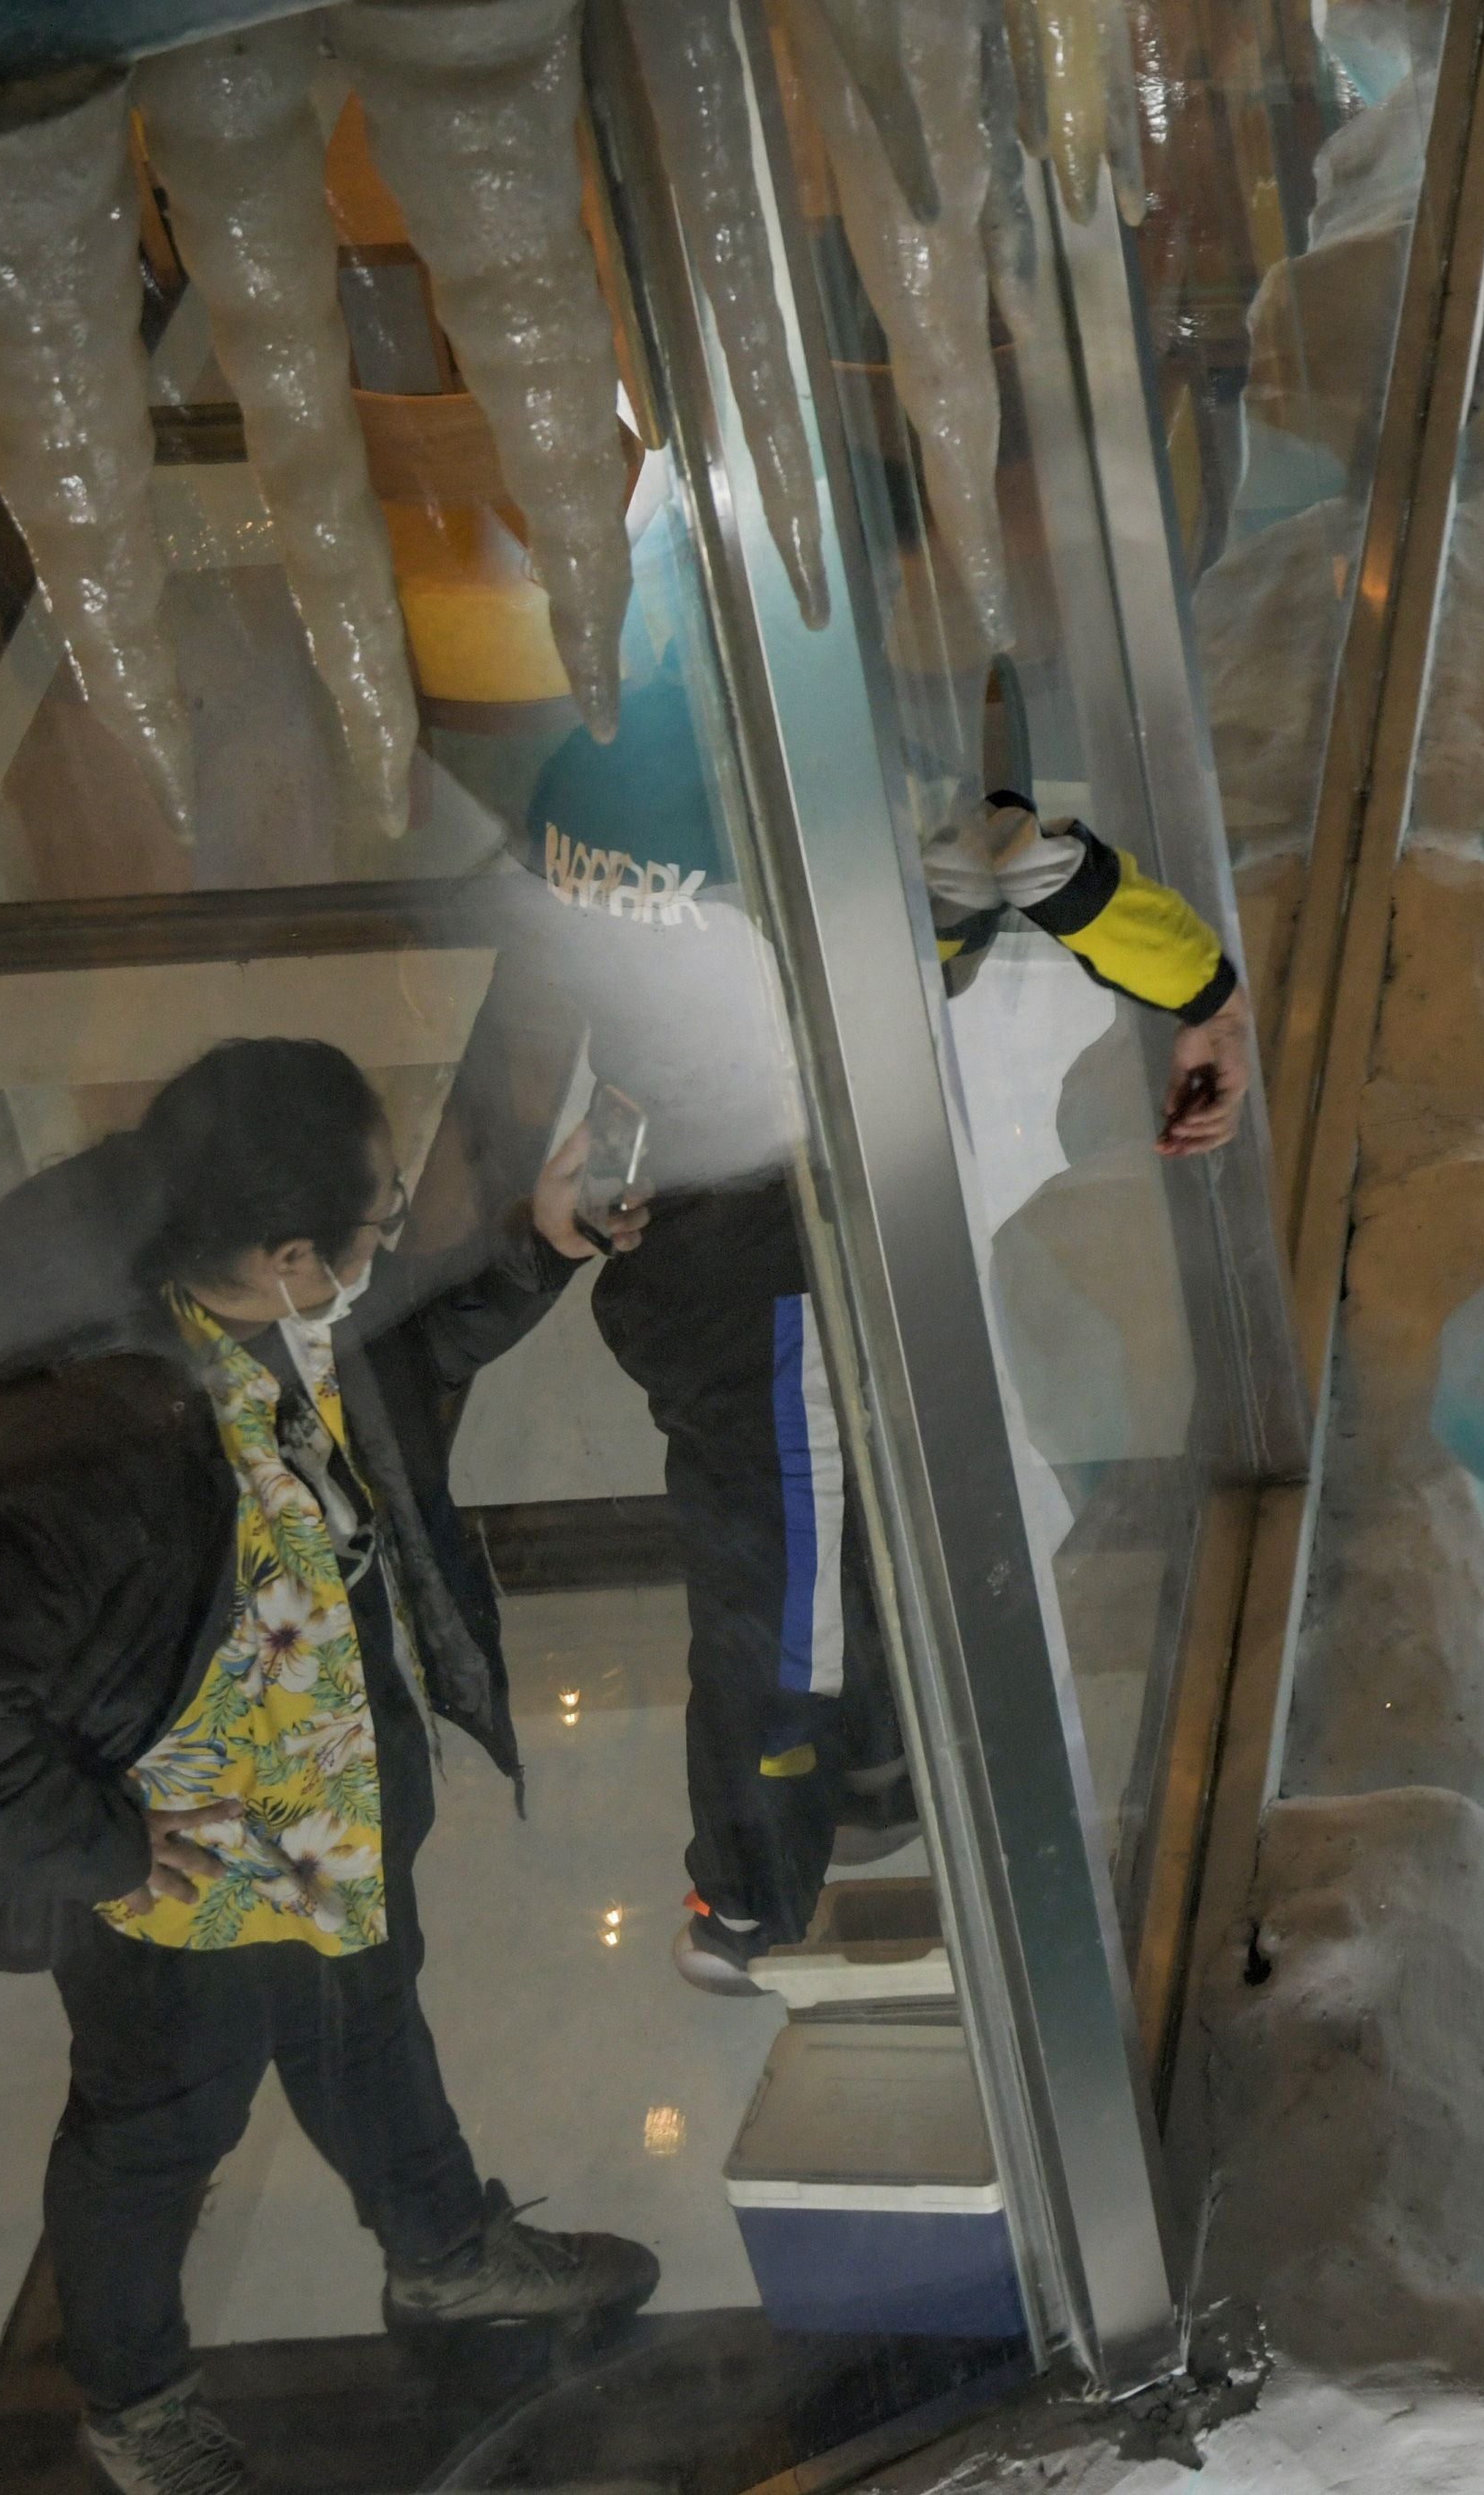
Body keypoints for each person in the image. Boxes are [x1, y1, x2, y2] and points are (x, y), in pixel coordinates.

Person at [0, 1038, 660, 2495]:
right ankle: (135, 2401)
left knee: (372, 2037)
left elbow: (401, 1350)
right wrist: (106, 1854)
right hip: (178, 1881)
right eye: (378, 1218)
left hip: (325, 1815)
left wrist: (534, 1247)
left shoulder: (256, 1315)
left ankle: (447, 2254)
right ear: (284, 1257)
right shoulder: (90, 1444)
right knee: (156, 2132)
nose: (391, 1238)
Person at [518, 669, 1247, 1995]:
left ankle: (868, 1770)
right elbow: (1028, 864)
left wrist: (606, 1112)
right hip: (771, 1250)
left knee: (823, 1520)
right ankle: (744, 1905)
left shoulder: (583, 772)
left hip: (681, 1218)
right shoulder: (818, 809)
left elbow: (622, 979)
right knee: (780, 1592)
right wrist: (1208, 991)